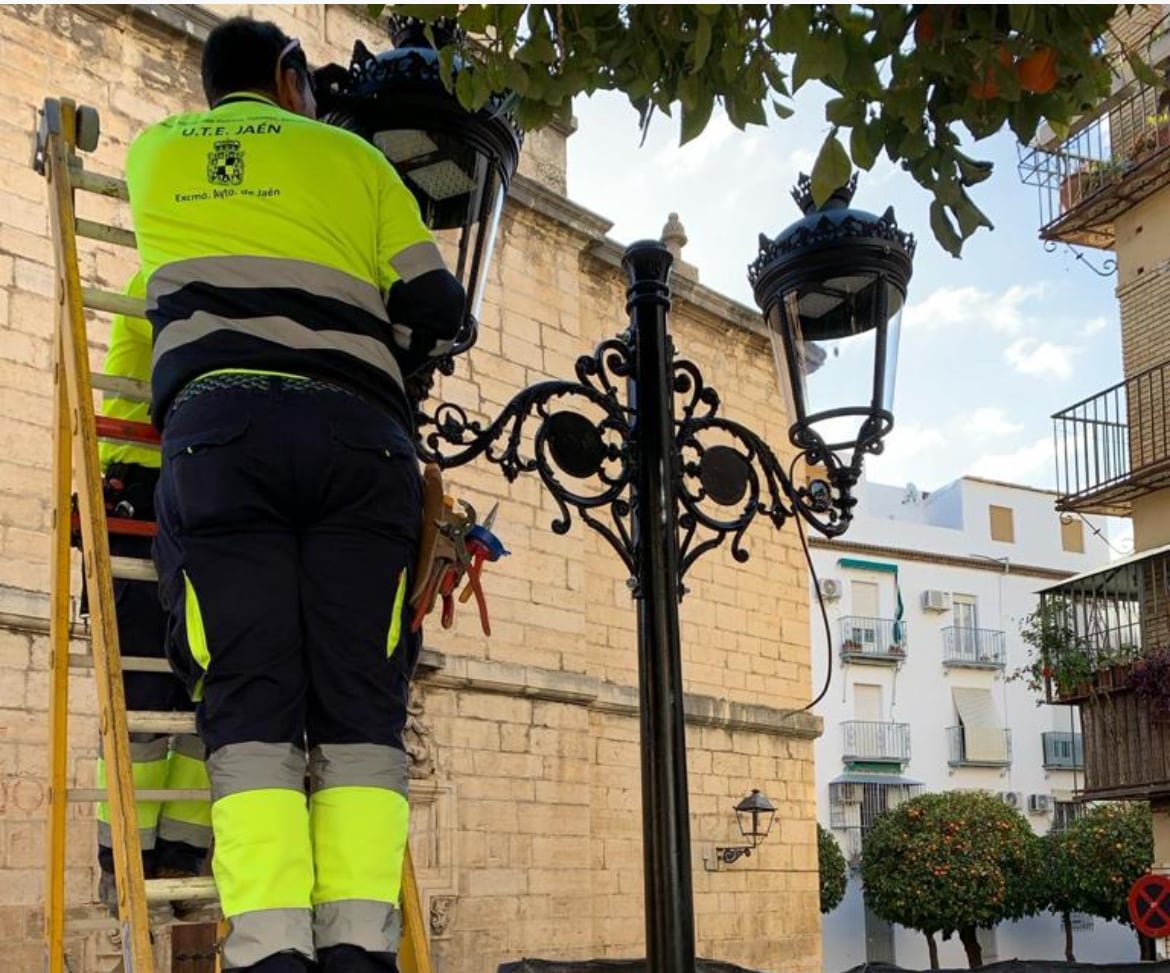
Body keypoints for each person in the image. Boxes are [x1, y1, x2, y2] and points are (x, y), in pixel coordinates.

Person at [124, 16, 464, 973]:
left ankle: (271, 949)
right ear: (287, 77)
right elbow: (440, 307)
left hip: (218, 432)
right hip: (361, 441)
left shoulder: (152, 156)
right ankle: (359, 946)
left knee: (248, 700)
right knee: (360, 705)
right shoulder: (351, 158)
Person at [95, 270, 212, 915]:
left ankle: (181, 849)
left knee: (200, 687)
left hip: (199, 481)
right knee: (141, 688)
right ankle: (125, 859)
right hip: (142, 480)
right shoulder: (159, 277)